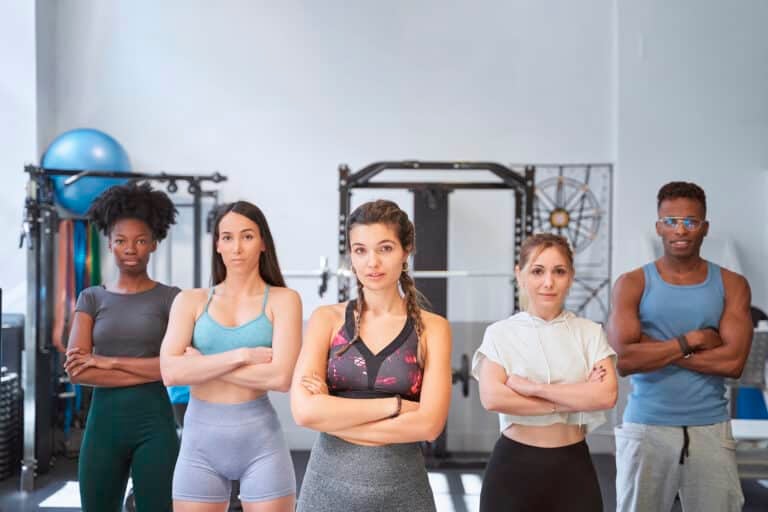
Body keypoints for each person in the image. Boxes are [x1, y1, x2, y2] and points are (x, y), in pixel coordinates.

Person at [291, 199, 452, 512]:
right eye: (360, 249)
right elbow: (304, 413)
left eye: (385, 248)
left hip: (403, 491)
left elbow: (430, 425)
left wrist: (333, 416)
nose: (372, 262)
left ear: (406, 250)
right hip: (326, 490)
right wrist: (395, 406)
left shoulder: (433, 329)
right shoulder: (327, 319)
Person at [607, 181, 752, 511]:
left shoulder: (731, 284)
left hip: (710, 429)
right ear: (659, 226)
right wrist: (694, 341)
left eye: (690, 221)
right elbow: (625, 361)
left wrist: (655, 349)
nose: (680, 230)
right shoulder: (632, 283)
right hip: (646, 427)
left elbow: (732, 363)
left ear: (705, 227)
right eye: (671, 221)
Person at [160, 201, 301, 512]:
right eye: (227, 237)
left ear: (263, 243)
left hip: (261, 442)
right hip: (199, 444)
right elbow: (170, 373)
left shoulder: (284, 300)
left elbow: (280, 378)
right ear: (217, 245)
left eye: (247, 236)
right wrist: (243, 355)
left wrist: (200, 365)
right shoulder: (190, 301)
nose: (236, 247)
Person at [473, 233, 617, 512]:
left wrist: (533, 389)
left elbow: (606, 395)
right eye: (537, 271)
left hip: (573, 467)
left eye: (559, 271)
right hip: (513, 468)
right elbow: (493, 398)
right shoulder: (500, 334)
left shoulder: (590, 332)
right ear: (520, 274)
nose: (548, 282)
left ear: (571, 276)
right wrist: (573, 396)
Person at [65, 182, 180, 512]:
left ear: (154, 244)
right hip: (103, 427)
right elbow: (77, 370)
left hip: (155, 427)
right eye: (121, 241)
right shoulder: (91, 297)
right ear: (110, 244)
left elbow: (174, 369)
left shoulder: (171, 298)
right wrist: (153, 368)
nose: (131, 248)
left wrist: (107, 363)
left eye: (140, 240)